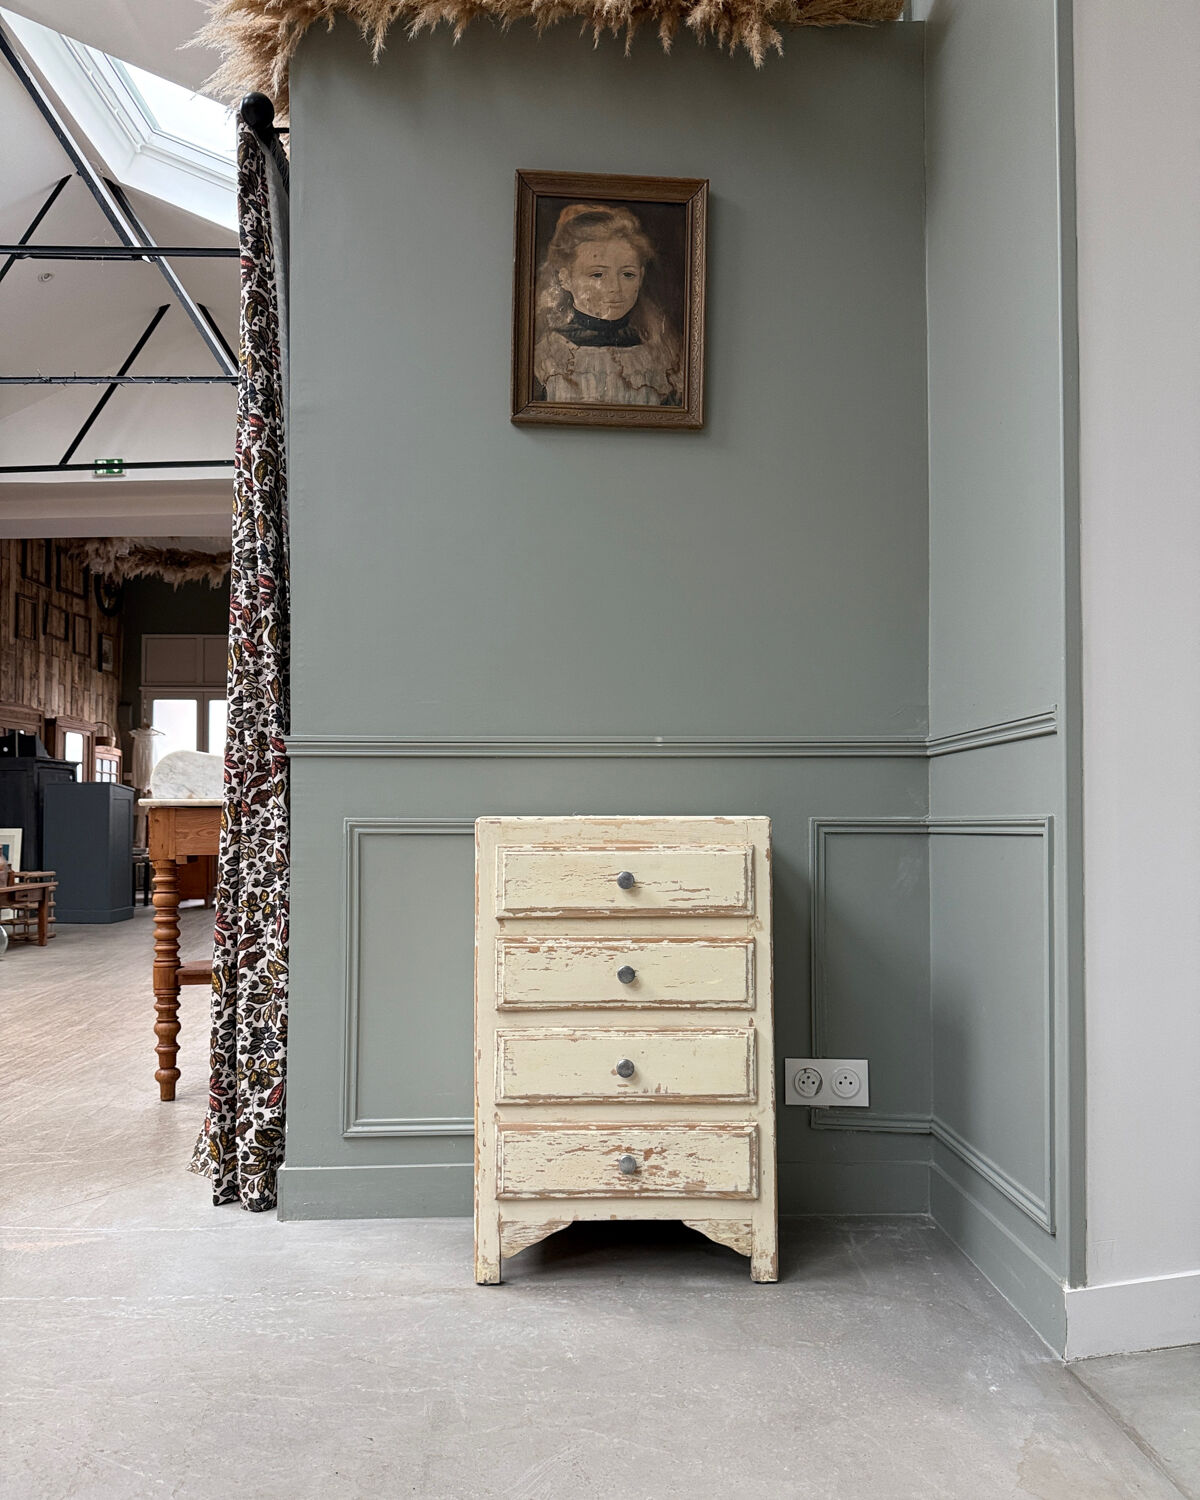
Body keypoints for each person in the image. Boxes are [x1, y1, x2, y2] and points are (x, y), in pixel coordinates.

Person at [533, 203, 683, 407]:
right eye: (597, 275)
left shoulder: (661, 359)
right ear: (565, 278)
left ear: (641, 277)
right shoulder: (546, 357)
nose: (615, 288)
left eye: (628, 274)